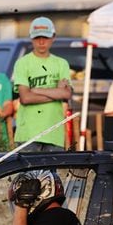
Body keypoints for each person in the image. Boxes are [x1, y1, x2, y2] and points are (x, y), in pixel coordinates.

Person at [12, 17, 72, 151]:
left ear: (53, 37)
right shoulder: (23, 63)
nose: (41, 42)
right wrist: (56, 92)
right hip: (28, 133)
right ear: (31, 38)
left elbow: (66, 93)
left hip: (54, 132)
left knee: (51, 172)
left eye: (45, 37)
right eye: (37, 37)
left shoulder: (61, 63)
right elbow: (25, 98)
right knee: (27, 172)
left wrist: (36, 90)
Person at [9, 170, 80, 225]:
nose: (16, 204)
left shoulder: (56, 217)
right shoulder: (59, 217)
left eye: (18, 199)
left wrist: (22, 205)